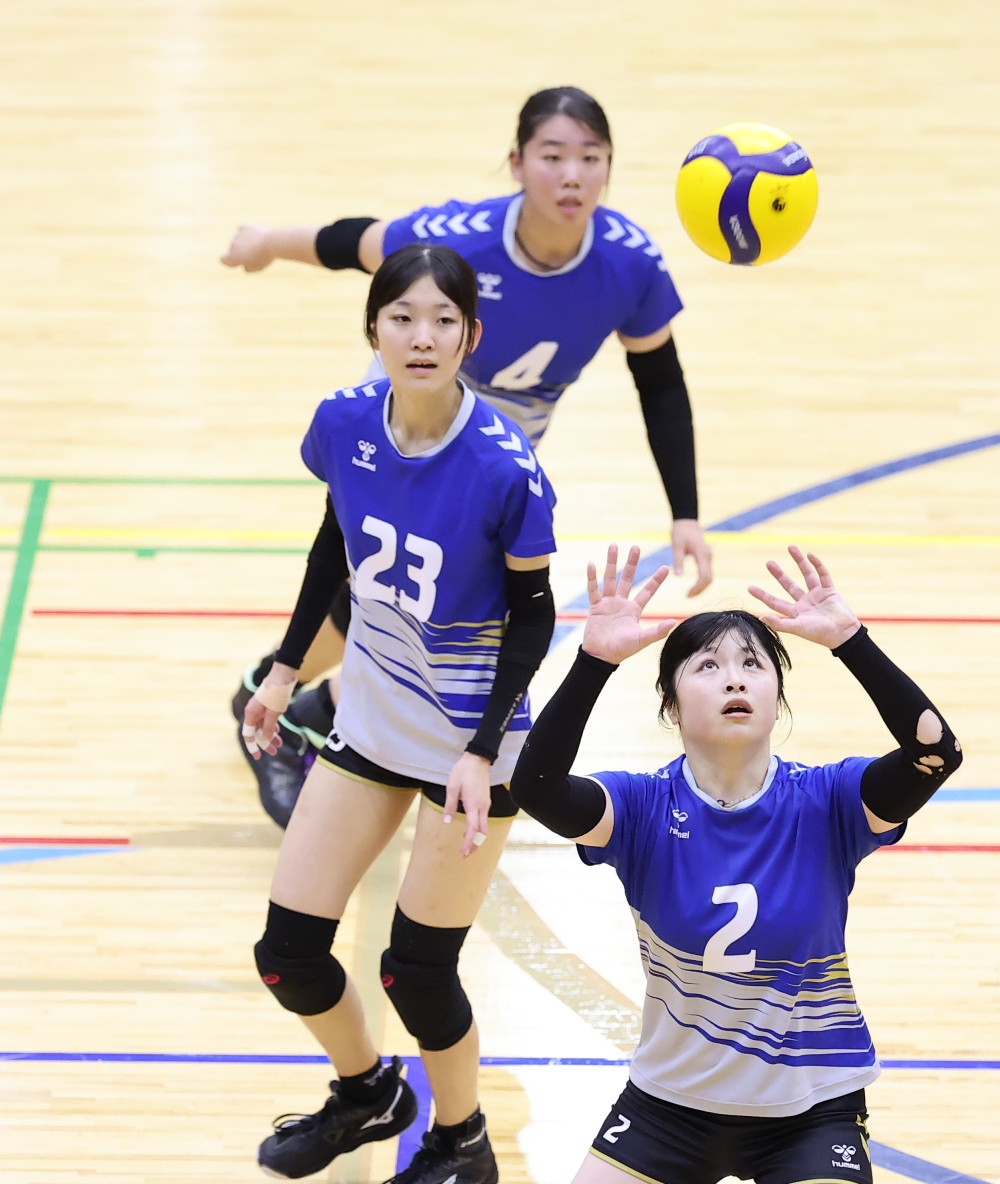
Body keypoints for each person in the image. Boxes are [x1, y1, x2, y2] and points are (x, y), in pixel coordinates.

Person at [304, 546, 989, 1184]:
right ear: (672, 704)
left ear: (778, 698)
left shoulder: (830, 802)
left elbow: (936, 750)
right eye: (707, 664)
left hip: (807, 1116)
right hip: (670, 1111)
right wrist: (591, 659)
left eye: (753, 663)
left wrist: (851, 641)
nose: (734, 676)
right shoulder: (640, 809)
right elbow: (536, 786)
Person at [221, 85, 712, 825]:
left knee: (436, 593)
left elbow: (661, 383)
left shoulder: (629, 263)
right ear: (516, 163)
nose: (572, 175)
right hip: (412, 418)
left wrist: (686, 512)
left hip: (492, 452)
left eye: (591, 158)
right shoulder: (467, 239)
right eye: (552, 156)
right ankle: (285, 700)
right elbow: (355, 243)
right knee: (389, 578)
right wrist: (266, 242)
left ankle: (304, 696)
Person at [244, 242, 556, 1184]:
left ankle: (463, 1145)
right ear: (373, 328)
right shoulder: (343, 422)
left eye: (443, 321)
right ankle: (368, 1091)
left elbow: (537, 616)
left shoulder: (504, 466)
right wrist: (287, 668)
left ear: (471, 335)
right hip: (374, 722)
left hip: (474, 748)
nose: (422, 337)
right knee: (289, 951)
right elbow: (332, 542)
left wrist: (482, 749)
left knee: (416, 970)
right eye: (402, 318)